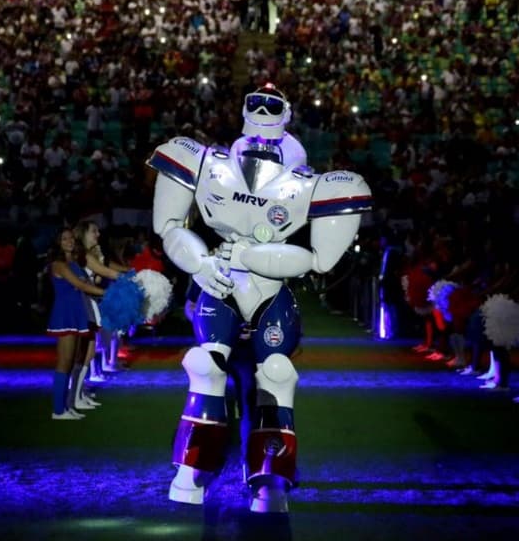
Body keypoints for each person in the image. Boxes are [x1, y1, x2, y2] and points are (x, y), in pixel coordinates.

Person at [148, 85, 371, 512]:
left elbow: (319, 260)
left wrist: (249, 256)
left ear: (287, 114)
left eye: (274, 104)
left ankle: (271, 478)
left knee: (275, 376)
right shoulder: (207, 162)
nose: (264, 109)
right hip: (222, 281)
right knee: (205, 367)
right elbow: (170, 227)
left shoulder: (309, 182)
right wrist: (202, 264)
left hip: (267, 290)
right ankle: (192, 468)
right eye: (256, 101)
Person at [46, 227, 105, 420]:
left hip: (77, 314)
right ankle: (58, 410)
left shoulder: (74, 263)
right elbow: (80, 285)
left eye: (71, 238)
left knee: (73, 362)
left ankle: (66, 405)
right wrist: (108, 293)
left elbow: (87, 282)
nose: (70, 241)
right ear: (58, 243)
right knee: (64, 363)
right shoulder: (59, 264)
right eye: (64, 239)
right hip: (64, 316)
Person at [70, 220, 121, 407]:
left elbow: (98, 277)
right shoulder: (83, 254)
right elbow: (106, 273)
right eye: (94, 231)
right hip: (82, 305)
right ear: (83, 234)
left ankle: (79, 393)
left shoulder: (88, 255)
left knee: (89, 352)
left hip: (89, 304)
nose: (97, 235)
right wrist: (131, 277)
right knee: (84, 352)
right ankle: (75, 396)